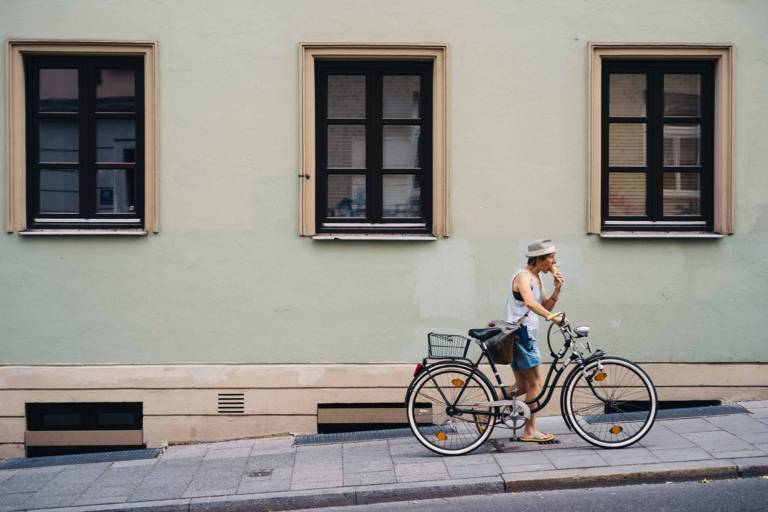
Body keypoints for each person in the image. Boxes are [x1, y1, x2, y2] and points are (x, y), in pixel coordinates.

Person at [504, 239, 565, 443]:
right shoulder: (523, 277)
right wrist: (552, 318)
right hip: (521, 334)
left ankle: (484, 410)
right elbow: (530, 303)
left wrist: (557, 289)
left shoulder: (536, 278)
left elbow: (545, 305)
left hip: (524, 334)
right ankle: (530, 430)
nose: (554, 261)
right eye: (551, 257)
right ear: (539, 258)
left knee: (521, 386)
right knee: (536, 383)